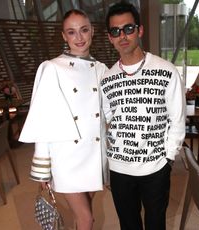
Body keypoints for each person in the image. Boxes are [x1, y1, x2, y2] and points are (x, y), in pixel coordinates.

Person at [19, 9, 108, 230]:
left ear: (92, 31)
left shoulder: (102, 69)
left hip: (94, 156)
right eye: (72, 32)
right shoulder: (52, 68)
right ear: (63, 36)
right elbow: (43, 120)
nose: (79, 38)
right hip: (66, 158)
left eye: (84, 30)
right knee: (87, 219)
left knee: (82, 218)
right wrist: (42, 168)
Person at [101, 2, 186, 230]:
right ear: (109, 37)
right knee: (128, 225)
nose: (123, 36)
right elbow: (108, 121)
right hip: (119, 169)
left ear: (139, 30)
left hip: (156, 167)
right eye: (115, 31)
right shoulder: (107, 79)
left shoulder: (166, 71)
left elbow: (177, 120)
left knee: (156, 224)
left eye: (128, 29)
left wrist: (168, 158)